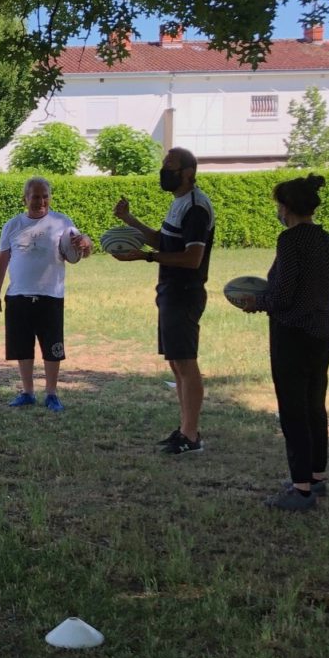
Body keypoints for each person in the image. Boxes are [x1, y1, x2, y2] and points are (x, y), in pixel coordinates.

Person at [235, 174, 329, 511]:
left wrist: (257, 302)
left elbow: (283, 293)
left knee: (293, 410)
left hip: (294, 332)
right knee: (314, 404)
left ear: (287, 207)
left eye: (279, 205)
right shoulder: (325, 239)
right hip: (324, 327)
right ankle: (317, 477)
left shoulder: (291, 241)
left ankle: (301, 489)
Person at [112, 147, 215, 454]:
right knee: (176, 362)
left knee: (186, 361)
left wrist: (145, 258)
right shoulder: (180, 203)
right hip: (170, 290)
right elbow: (162, 240)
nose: (163, 171)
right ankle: (185, 429)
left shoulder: (196, 207)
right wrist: (129, 220)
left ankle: (192, 435)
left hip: (185, 292)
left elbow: (193, 258)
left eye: (170, 167)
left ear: (188, 173)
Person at [0, 176, 92, 411]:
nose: (41, 201)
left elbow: (81, 249)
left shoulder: (62, 223)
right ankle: (27, 392)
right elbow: (1, 261)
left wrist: (86, 244)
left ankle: (52, 394)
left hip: (51, 296)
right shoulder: (13, 225)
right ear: (25, 198)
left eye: (45, 196)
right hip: (18, 296)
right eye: (35, 196)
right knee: (22, 346)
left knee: (52, 347)